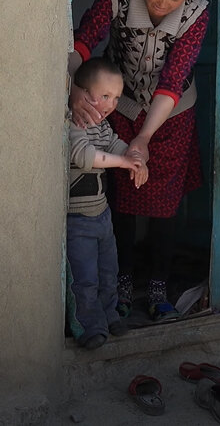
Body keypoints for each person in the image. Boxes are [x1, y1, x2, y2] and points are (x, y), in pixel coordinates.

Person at [69, 0, 209, 322]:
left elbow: (174, 78)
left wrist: (145, 138)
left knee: (164, 199)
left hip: (173, 111)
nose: (161, 5)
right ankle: (123, 282)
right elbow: (82, 41)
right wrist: (73, 90)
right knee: (121, 187)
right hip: (119, 102)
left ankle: (160, 284)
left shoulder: (196, 12)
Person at [67, 57, 148, 349]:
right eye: (104, 96)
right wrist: (122, 162)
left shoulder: (102, 126)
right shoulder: (75, 123)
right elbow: (85, 157)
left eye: (116, 97)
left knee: (107, 271)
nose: (112, 104)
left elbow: (114, 144)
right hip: (77, 220)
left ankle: (110, 314)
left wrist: (135, 158)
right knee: (83, 277)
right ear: (83, 94)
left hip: (102, 215)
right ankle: (88, 326)